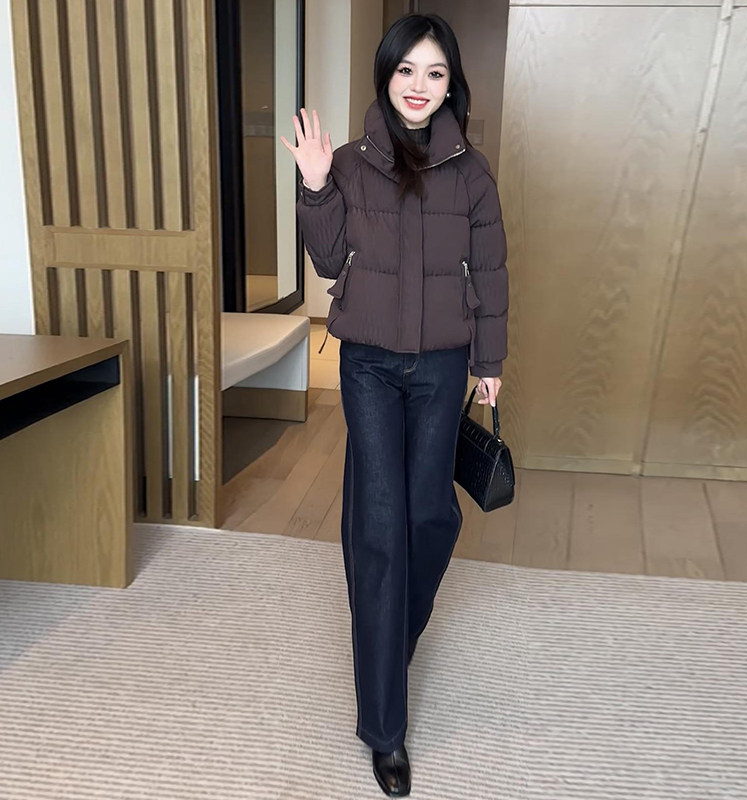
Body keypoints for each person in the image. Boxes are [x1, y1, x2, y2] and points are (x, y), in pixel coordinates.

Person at [281, 13, 508, 798]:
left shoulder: (472, 172)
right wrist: (315, 185)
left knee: (430, 518)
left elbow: (492, 269)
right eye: (406, 69)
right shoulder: (348, 162)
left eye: (435, 73)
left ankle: (385, 640)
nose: (419, 85)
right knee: (380, 526)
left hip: (444, 363)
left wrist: (490, 362)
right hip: (370, 365)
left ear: (451, 86)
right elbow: (326, 259)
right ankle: (386, 728)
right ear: (386, 76)